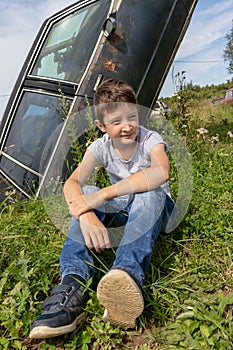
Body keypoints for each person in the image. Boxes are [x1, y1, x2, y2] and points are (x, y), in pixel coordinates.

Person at [29, 78, 176, 339]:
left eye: (132, 117)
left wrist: (101, 196)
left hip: (156, 210)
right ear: (101, 126)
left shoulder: (151, 139)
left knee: (147, 191)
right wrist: (86, 213)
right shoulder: (99, 147)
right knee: (84, 192)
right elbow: (72, 183)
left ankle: (125, 275)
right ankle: (72, 284)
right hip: (122, 211)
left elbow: (160, 172)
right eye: (117, 121)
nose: (128, 126)